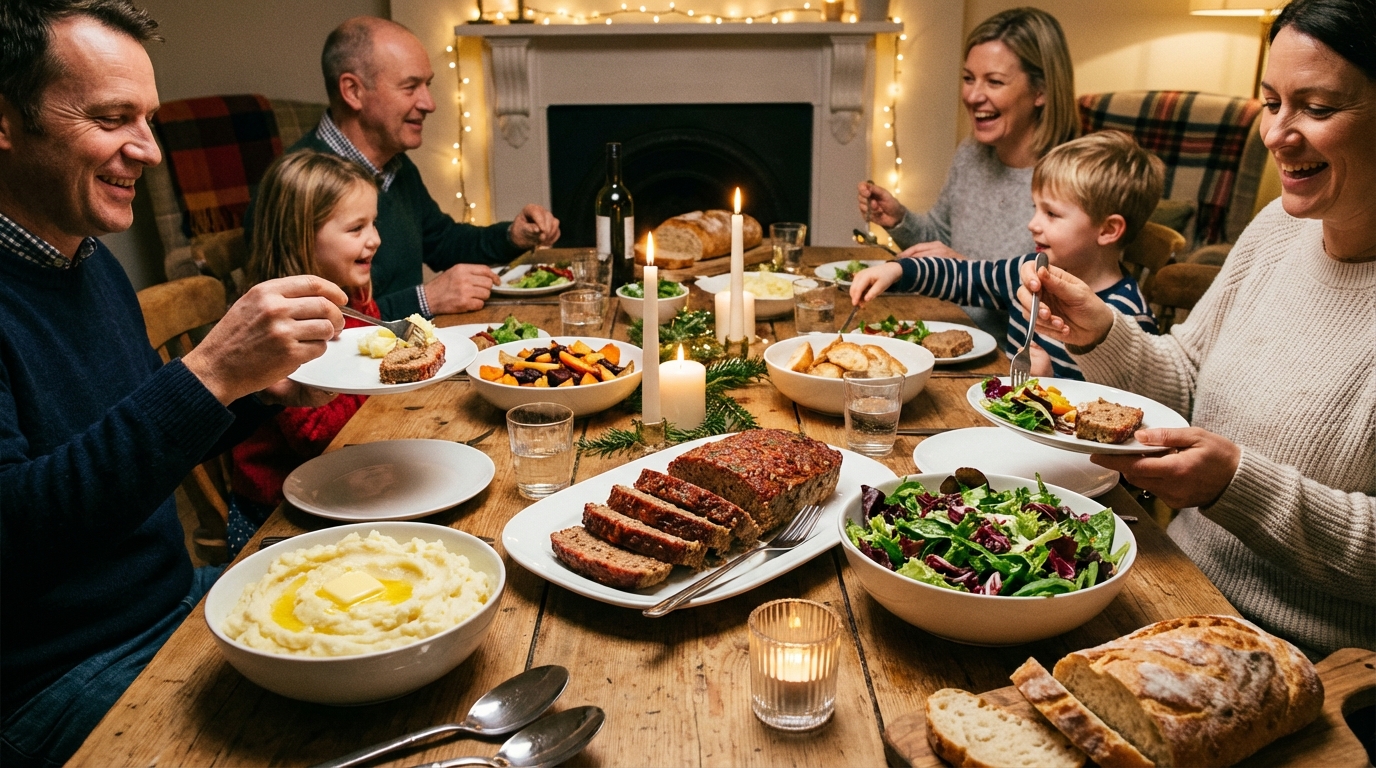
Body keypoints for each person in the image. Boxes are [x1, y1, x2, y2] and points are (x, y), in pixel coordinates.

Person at [0, 3, 346, 765]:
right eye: (114, 117)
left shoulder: (88, 263)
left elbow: (119, 446)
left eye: (148, 120)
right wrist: (210, 372)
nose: (149, 151)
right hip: (58, 675)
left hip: (173, 598)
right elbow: (16, 533)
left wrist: (250, 391)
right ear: (6, 122)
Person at [1017, 0, 1375, 655]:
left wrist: (1237, 485)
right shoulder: (1277, 229)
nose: (1277, 134)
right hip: (1170, 588)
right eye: (1272, 103)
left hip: (1306, 657)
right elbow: (1185, 383)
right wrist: (1102, 333)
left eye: (1317, 109)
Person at [245, 16, 560, 321]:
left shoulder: (396, 166)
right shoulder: (296, 187)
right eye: (411, 87)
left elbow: (443, 242)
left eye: (428, 85)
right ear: (353, 91)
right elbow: (299, 322)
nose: (429, 103)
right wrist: (425, 300)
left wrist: (512, 236)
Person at [850, 130, 1161, 379]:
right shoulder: (1034, 271)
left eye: (1051, 214)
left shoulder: (1126, 319)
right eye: (1035, 209)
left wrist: (1046, 384)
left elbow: (1115, 412)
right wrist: (900, 271)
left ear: (1107, 230)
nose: (1033, 224)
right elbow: (967, 276)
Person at [855, 6, 1078, 338]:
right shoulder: (971, 153)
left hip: (1015, 361)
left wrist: (963, 268)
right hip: (948, 330)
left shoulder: (1072, 182)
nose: (973, 96)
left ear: (1041, 91)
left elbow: (1055, 298)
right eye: (968, 78)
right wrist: (900, 220)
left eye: (995, 82)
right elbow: (941, 241)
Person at [229, 151, 385, 555]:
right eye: (356, 228)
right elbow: (317, 436)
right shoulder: (280, 327)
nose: (375, 239)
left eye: (373, 223)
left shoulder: (355, 298)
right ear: (301, 237)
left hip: (344, 479)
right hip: (275, 515)